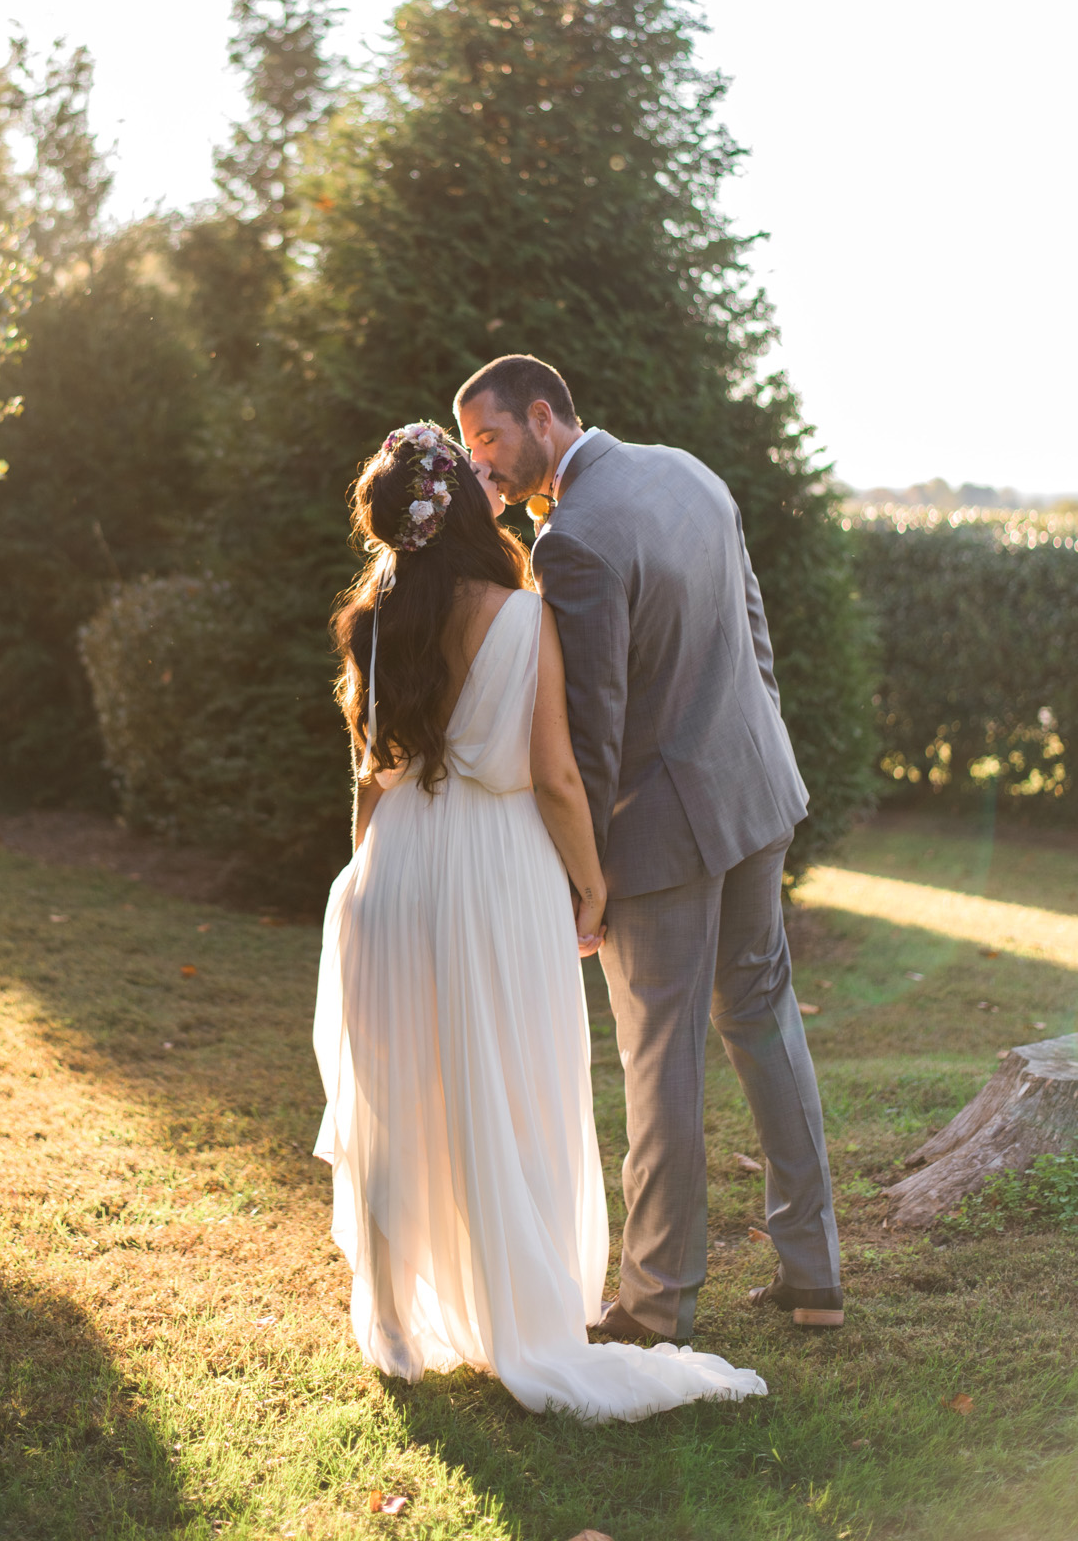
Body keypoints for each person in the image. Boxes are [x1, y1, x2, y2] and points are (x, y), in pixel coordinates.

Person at [312, 420, 767, 1419]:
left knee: (403, 1098)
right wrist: (591, 884)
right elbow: (558, 774)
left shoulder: (372, 619)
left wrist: (362, 879)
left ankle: (396, 1324)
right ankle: (517, 1309)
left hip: (393, 870)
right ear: (466, 511)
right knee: (511, 1085)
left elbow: (369, 777)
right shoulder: (521, 614)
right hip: (497, 871)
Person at [454, 355, 843, 1342]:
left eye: (489, 437)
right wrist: (757, 752)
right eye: (468, 446)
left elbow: (590, 729)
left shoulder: (573, 538)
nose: (479, 462)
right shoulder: (689, 471)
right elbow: (753, 636)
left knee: (657, 1054)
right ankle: (813, 1275)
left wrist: (582, 876)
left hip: (663, 831)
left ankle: (656, 1302)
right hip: (755, 792)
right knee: (761, 1019)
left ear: (543, 416)